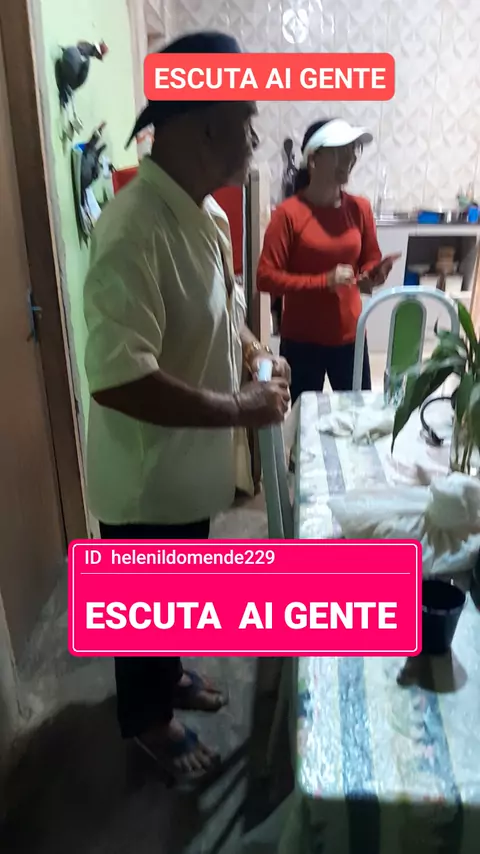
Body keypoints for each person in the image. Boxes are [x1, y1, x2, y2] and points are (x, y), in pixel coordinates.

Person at [83, 31, 290, 783]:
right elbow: (117, 378)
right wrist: (238, 407)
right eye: (247, 118)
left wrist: (253, 351)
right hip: (146, 477)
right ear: (204, 124)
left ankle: (166, 675)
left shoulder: (205, 215)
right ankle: (146, 719)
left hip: (189, 464)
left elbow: (220, 306)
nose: (254, 136)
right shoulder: (133, 228)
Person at [257, 118, 399, 403]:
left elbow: (369, 256)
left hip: (350, 337)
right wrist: (324, 281)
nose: (350, 159)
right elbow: (266, 277)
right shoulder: (288, 214)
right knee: (302, 417)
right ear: (313, 160)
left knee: (358, 415)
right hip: (301, 341)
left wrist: (372, 274)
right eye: (340, 151)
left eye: (353, 151)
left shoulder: (359, 208)